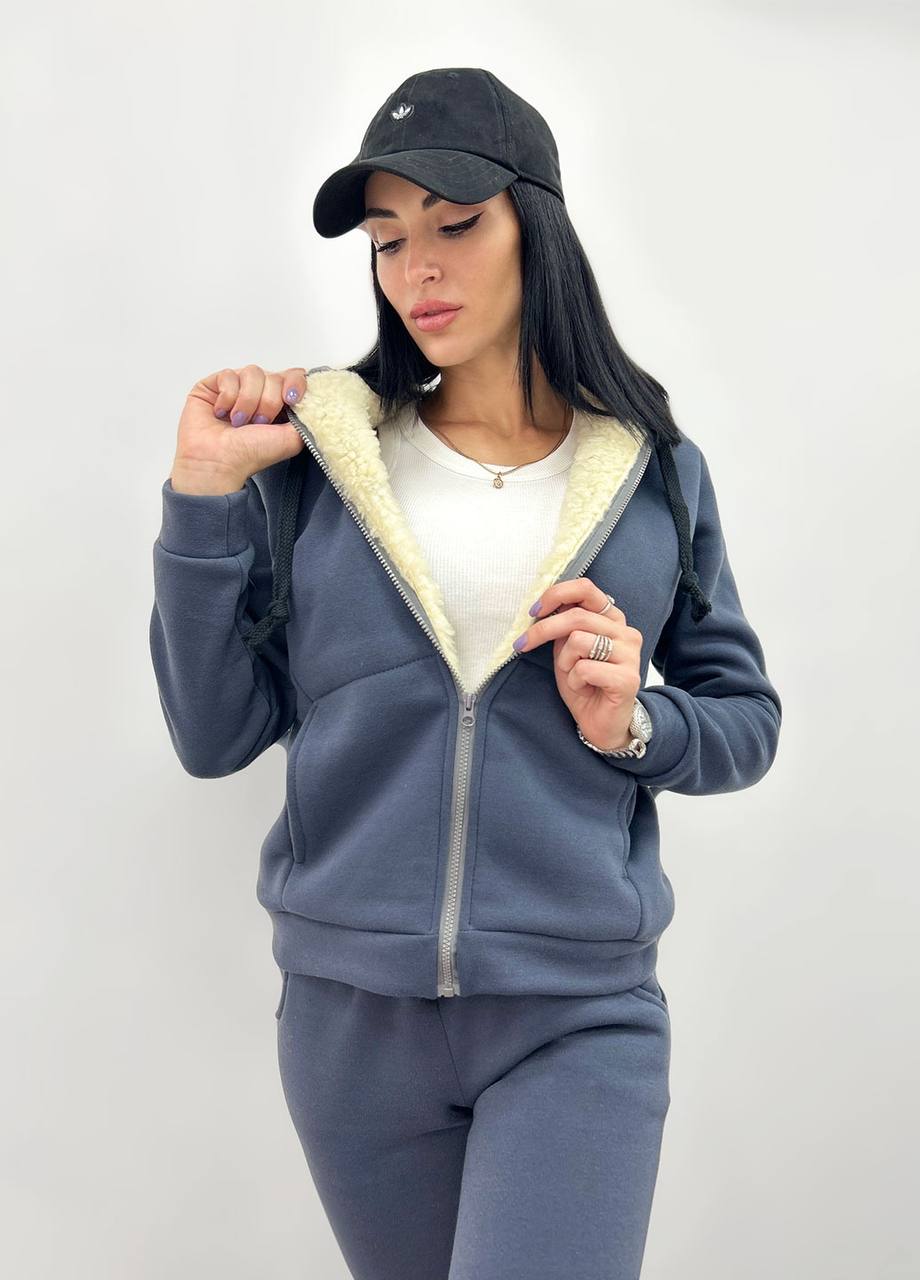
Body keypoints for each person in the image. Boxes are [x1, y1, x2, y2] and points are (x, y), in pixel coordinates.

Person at [149, 67, 782, 1280]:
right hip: (349, 1024)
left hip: (575, 1010)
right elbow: (212, 732)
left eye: (454, 224)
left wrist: (634, 720)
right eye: (389, 240)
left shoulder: (652, 471)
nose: (416, 270)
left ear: (534, 227)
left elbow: (742, 717)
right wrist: (202, 498)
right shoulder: (321, 461)